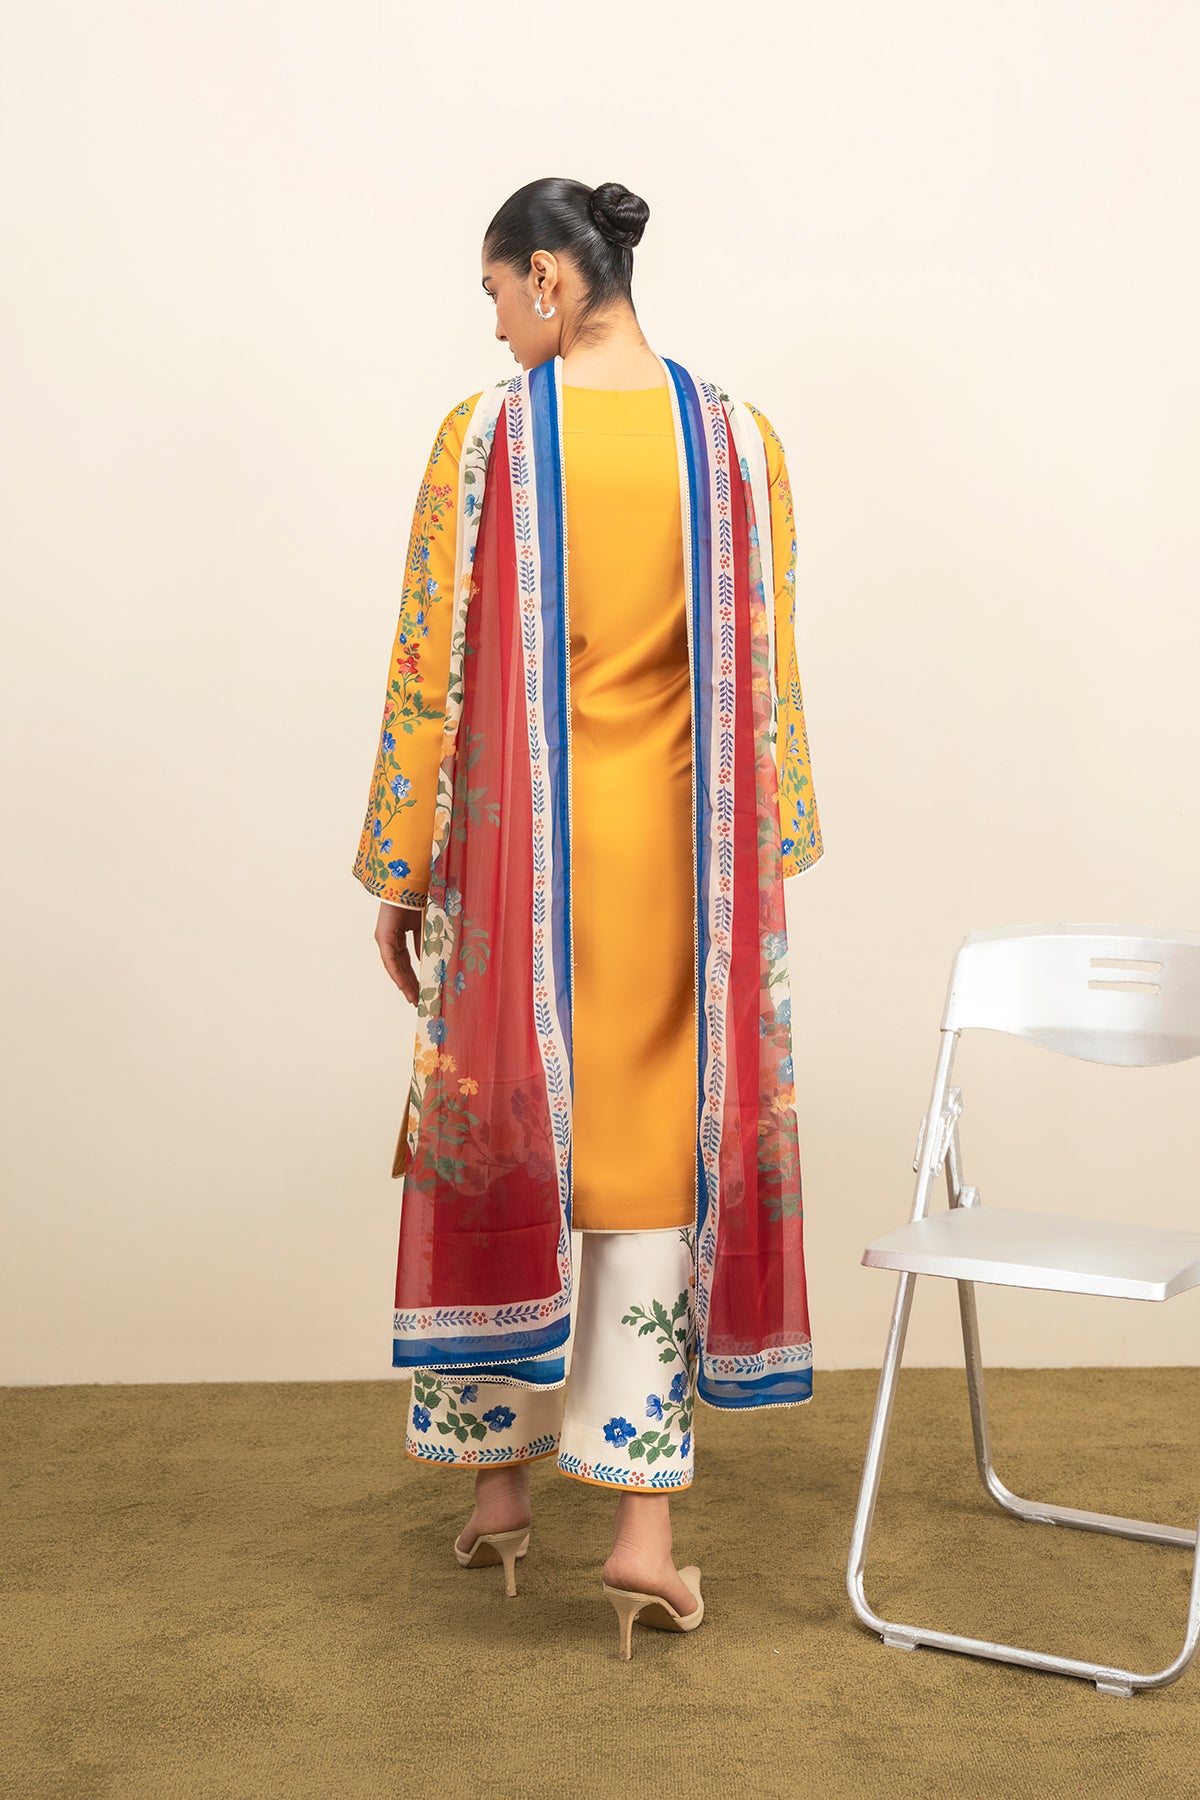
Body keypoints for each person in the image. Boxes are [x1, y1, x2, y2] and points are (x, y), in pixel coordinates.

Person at [352, 177, 823, 1659]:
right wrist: (773, 854)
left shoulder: (485, 439)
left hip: (519, 869)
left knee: (500, 1137)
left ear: (551, 279)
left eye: (500, 296)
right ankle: (641, 1538)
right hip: (677, 878)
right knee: (643, 1172)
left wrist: (402, 867)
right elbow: (769, 671)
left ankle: (498, 1491)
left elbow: (427, 662)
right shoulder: (737, 443)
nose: (497, 327)